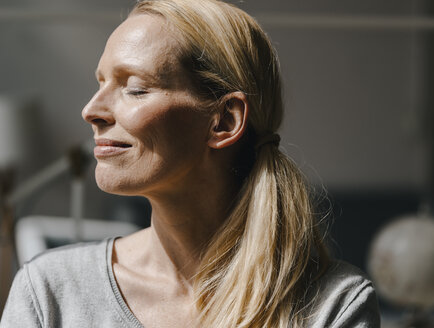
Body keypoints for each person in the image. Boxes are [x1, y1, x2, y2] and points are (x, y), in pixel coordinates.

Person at [0, 0, 380, 327]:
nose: (91, 111)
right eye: (100, 84)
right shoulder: (49, 291)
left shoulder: (333, 304)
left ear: (225, 121)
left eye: (134, 88)